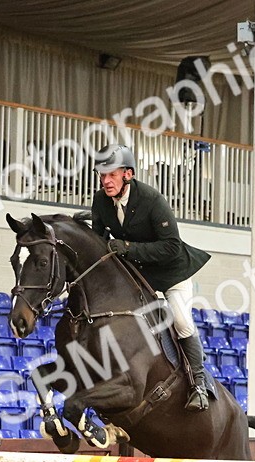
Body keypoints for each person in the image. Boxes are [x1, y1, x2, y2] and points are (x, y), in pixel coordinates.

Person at [89, 144, 213, 411]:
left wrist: (128, 248)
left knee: (180, 321)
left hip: (171, 273)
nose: (105, 181)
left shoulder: (151, 200)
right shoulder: (100, 201)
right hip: (139, 276)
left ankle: (199, 386)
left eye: (111, 174)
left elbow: (171, 246)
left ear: (128, 174)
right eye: (102, 175)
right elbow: (98, 240)